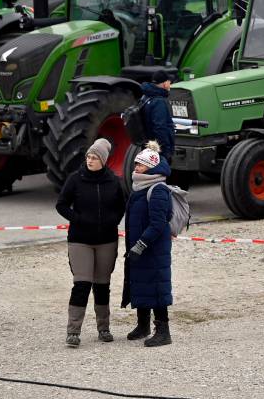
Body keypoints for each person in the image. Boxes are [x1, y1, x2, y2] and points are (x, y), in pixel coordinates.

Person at [55, 138, 126, 347]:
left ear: (103, 160)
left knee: (102, 286)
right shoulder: (75, 179)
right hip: (80, 240)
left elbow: (121, 206)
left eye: (95, 157)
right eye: (88, 156)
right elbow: (61, 205)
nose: (90, 160)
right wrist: (78, 219)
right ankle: (73, 331)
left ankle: (104, 328)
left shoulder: (113, 181)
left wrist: (113, 221)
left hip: (106, 240)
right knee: (82, 284)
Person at [122, 142, 174, 347]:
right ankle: (142, 325)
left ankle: (163, 331)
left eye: (140, 165)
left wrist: (141, 244)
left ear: (151, 167)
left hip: (153, 249)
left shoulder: (158, 189)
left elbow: (158, 223)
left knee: (157, 288)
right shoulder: (139, 187)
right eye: (136, 164)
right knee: (141, 283)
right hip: (140, 248)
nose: (136, 168)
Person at [139, 70, 175, 162]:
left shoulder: (145, 96)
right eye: (169, 81)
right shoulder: (159, 101)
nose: (170, 83)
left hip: (147, 146)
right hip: (157, 151)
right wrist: (165, 151)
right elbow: (160, 128)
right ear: (164, 83)